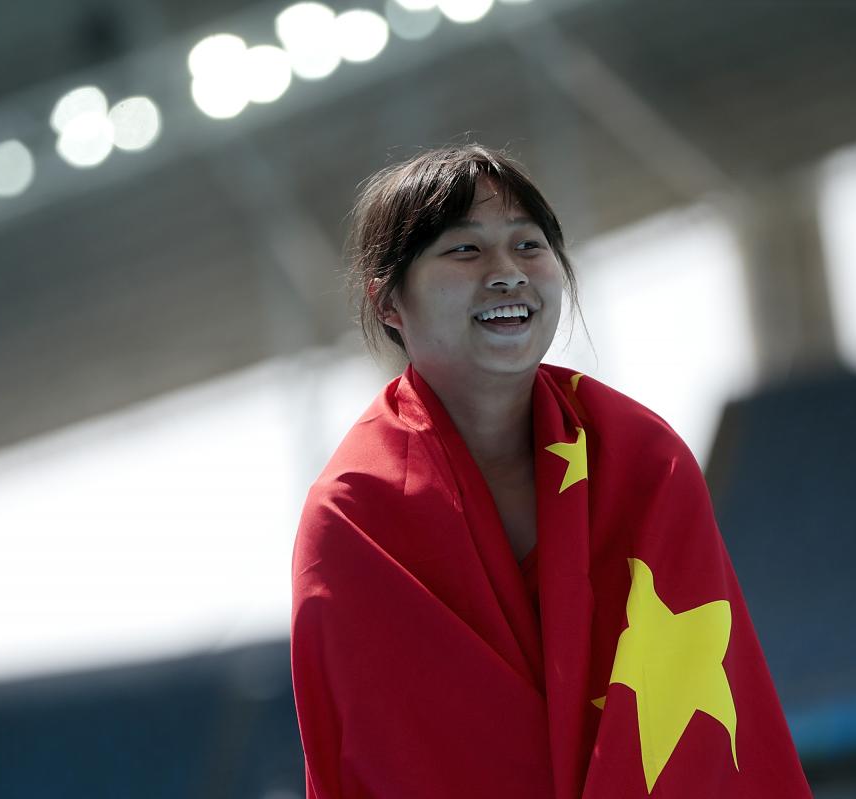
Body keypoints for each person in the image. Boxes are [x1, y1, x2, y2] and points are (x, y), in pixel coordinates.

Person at [289, 144, 812, 798]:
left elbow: (705, 746)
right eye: (465, 250)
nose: (508, 273)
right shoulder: (353, 518)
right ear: (389, 301)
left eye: (530, 246)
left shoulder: (646, 460)